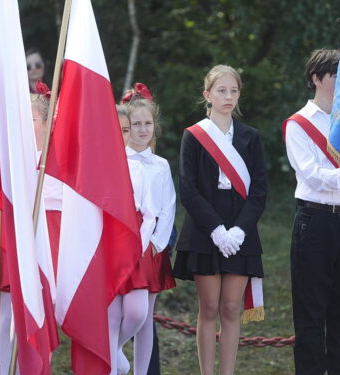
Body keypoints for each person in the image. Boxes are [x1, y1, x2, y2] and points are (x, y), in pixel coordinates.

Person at [173, 65, 267, 375]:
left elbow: (259, 192)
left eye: (234, 91)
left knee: (231, 308)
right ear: (207, 95)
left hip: (241, 229)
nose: (228, 97)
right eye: (222, 91)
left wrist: (239, 230)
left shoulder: (251, 138)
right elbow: (188, 190)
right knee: (209, 307)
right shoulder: (194, 136)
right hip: (205, 228)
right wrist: (216, 230)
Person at [0, 80, 61, 375]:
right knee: (7, 315)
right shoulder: (9, 159)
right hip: (11, 244)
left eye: (31, 119)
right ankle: (3, 369)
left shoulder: (59, 163)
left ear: (47, 123)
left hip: (46, 248)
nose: (23, 124)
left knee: (40, 315)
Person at [282, 48, 340, 375]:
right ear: (317, 78)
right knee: (311, 313)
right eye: (335, 74)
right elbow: (312, 174)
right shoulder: (298, 124)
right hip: (315, 221)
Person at [113, 83, 176, 375]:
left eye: (147, 123)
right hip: (119, 243)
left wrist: (157, 244)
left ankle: (136, 369)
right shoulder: (116, 162)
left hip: (150, 245)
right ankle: (111, 357)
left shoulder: (160, 165)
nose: (141, 130)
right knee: (116, 313)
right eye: (135, 124)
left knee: (143, 316)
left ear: (155, 126)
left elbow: (168, 206)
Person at [109, 102, 158, 375]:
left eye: (126, 130)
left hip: (135, 245)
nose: (123, 135)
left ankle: (114, 351)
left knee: (139, 312)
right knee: (112, 315)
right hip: (106, 247)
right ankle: (109, 362)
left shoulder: (138, 165)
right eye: (117, 130)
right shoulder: (97, 165)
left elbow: (151, 211)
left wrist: (140, 244)